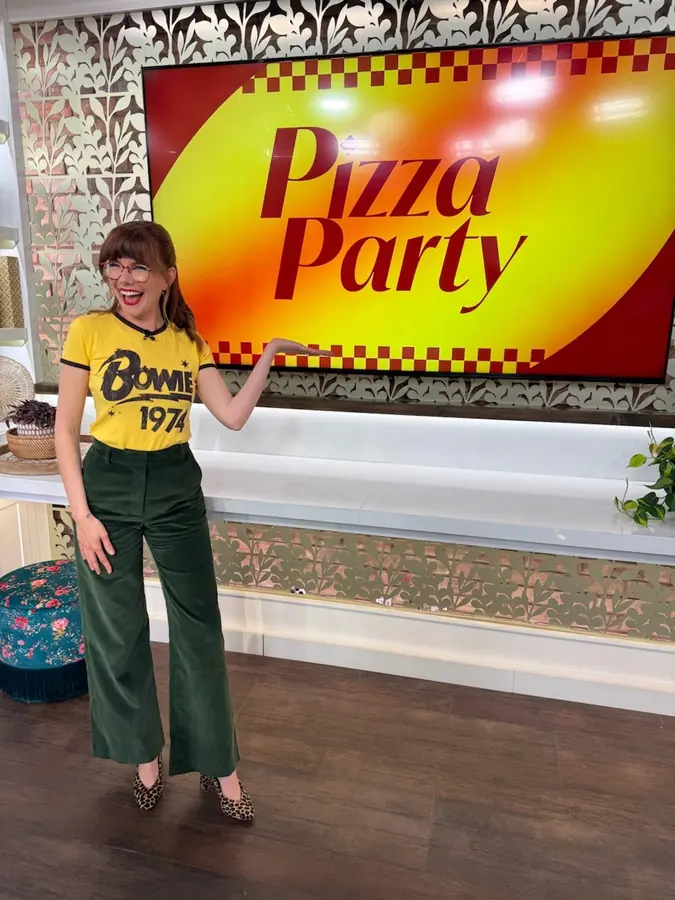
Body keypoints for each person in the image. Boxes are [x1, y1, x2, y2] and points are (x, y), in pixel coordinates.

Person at [55, 221, 330, 821]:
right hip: (108, 486)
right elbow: (65, 429)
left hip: (176, 485)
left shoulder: (187, 340)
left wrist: (267, 356)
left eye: (139, 267)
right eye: (115, 265)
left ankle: (217, 764)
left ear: (167, 276)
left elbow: (231, 415)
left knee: (199, 627)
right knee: (117, 629)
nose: (124, 278)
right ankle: (143, 759)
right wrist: (82, 515)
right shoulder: (90, 331)